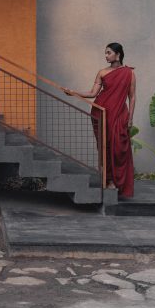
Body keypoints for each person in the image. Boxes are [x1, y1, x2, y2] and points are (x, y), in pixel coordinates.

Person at [62, 42, 135, 198]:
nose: (106, 56)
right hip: (101, 112)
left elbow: (132, 97)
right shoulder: (102, 72)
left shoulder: (129, 73)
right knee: (105, 146)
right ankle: (108, 181)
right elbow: (92, 92)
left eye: (108, 53)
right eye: (105, 53)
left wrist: (130, 118)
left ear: (118, 54)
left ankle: (120, 182)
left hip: (120, 114)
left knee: (119, 147)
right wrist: (73, 93)